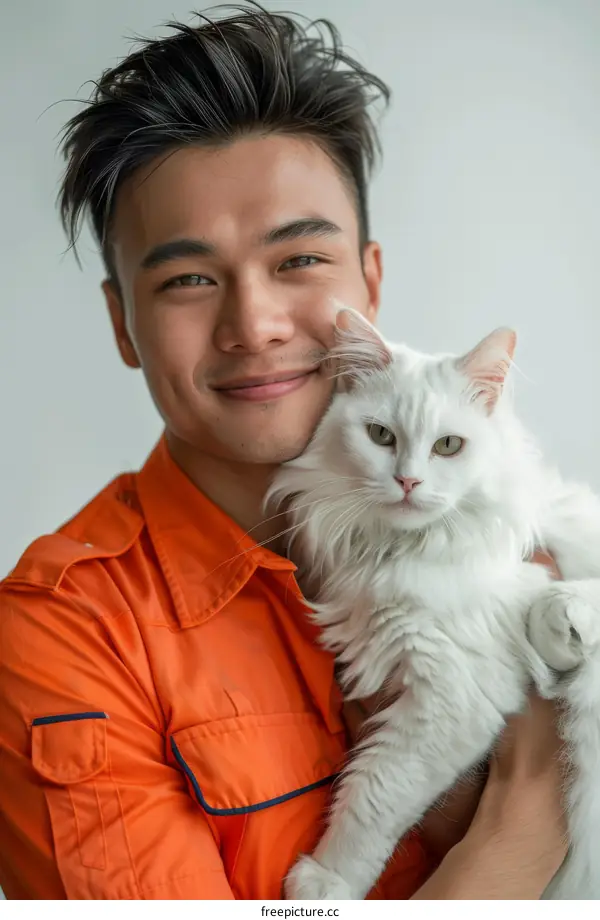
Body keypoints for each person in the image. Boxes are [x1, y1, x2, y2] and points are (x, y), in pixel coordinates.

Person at [0, 4, 567, 900]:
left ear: (368, 285)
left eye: (298, 260)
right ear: (122, 324)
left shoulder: (508, 522)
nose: (255, 327)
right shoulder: (66, 634)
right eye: (188, 278)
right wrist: (521, 825)